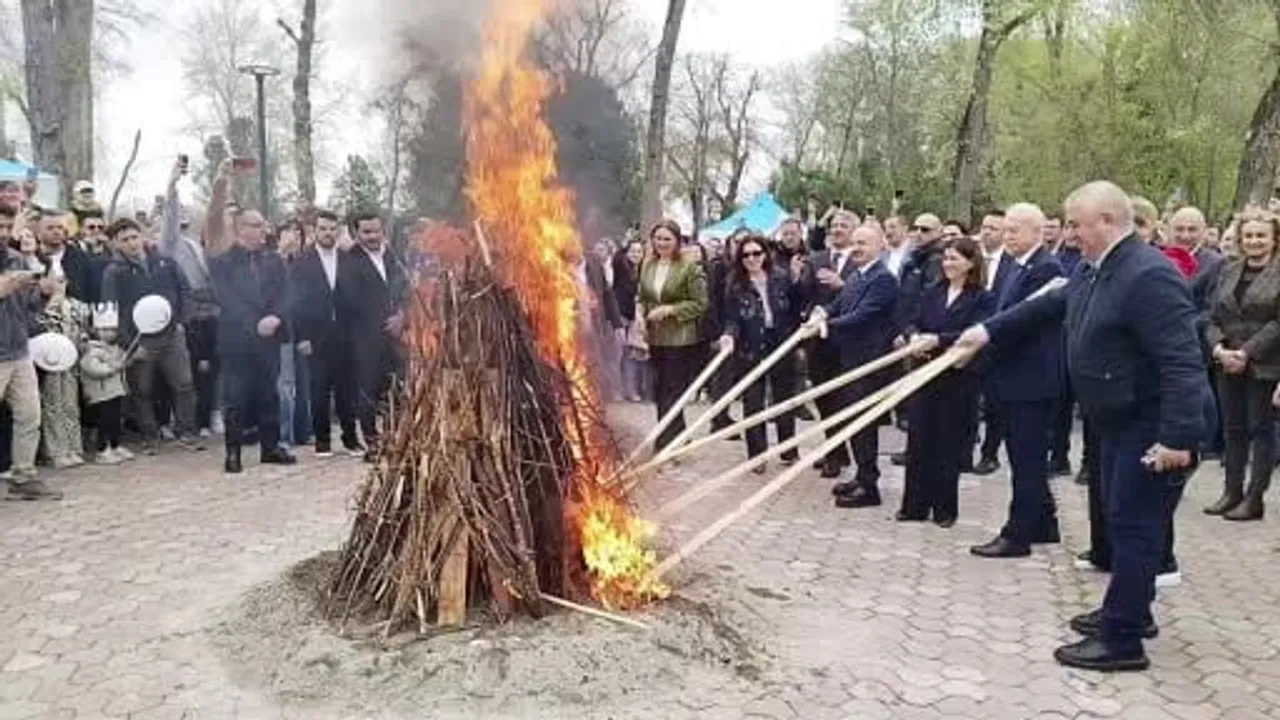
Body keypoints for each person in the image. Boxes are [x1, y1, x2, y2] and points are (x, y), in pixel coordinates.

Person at [954, 180, 1209, 672]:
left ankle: (1122, 641)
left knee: (1136, 527)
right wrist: (985, 331)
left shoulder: (1148, 275)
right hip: (1118, 419)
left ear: (1108, 222)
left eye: (1076, 224)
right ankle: (1127, 610)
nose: (1068, 235)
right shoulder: (1100, 269)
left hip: (1151, 424)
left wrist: (1177, 438)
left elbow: (1182, 362)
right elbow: (1047, 305)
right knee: (1120, 521)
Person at [969, 203, 1064, 559]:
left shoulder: (1047, 269)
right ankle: (1044, 521)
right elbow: (1001, 312)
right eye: (1004, 230)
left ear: (1036, 232)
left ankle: (1017, 534)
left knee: (1027, 460)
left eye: (1013, 231)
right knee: (1024, 457)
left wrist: (984, 340)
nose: (1006, 237)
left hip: (1033, 379)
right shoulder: (1013, 265)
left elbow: (1023, 321)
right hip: (1011, 375)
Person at [899, 237, 995, 526]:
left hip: (957, 378)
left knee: (946, 443)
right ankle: (914, 506)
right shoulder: (932, 291)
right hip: (924, 374)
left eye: (955, 258)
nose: (948, 264)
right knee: (919, 441)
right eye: (946, 258)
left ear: (970, 263)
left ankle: (944, 509)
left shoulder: (982, 297)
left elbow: (974, 332)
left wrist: (939, 340)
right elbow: (912, 320)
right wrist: (914, 335)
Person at [806, 225, 899, 508]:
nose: (857, 247)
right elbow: (840, 304)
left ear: (880, 246)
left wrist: (824, 327)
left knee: (864, 423)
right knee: (854, 422)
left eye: (864, 243)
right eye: (855, 242)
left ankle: (869, 486)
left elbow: (862, 316)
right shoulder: (858, 275)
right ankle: (861, 476)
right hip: (849, 360)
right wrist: (821, 313)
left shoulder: (883, 279)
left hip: (869, 363)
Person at [101, 218, 203, 454]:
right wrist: (128, 344)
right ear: (116, 244)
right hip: (139, 340)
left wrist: (181, 322)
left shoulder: (166, 262)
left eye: (134, 237)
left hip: (172, 335)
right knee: (142, 390)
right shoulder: (114, 273)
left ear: (142, 237)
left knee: (184, 383)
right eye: (124, 240)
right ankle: (150, 436)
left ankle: (187, 431)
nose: (132, 243)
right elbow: (111, 311)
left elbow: (186, 292)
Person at [1204, 206, 1280, 521]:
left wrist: (1247, 352)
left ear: (1274, 239)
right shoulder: (1227, 270)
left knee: (1261, 430)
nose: (1254, 241)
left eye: (1261, 235)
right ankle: (1231, 490)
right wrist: (1218, 348)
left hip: (1264, 364)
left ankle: (1254, 498)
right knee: (1233, 430)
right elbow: (1211, 315)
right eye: (1248, 235)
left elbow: (1277, 323)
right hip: (1227, 362)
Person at [209, 207, 296, 473]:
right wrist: (255, 324)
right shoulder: (224, 263)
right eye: (256, 225)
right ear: (241, 228)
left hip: (268, 339)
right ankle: (233, 452)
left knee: (269, 394)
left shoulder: (273, 261)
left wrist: (276, 318)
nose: (263, 231)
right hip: (237, 340)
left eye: (263, 225)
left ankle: (270, 447)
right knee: (235, 398)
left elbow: (286, 294)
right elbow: (227, 299)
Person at [718, 235, 806, 471]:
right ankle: (757, 455)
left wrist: (797, 281)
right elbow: (732, 319)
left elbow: (796, 308)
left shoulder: (781, 277)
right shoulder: (735, 284)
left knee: (784, 399)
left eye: (756, 253)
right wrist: (728, 336)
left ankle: (788, 450)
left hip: (780, 342)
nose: (752, 259)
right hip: (750, 346)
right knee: (753, 402)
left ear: (765, 254)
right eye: (746, 255)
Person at [334, 211, 406, 462]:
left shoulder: (394, 256)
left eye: (376, 230)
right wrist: (382, 322)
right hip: (366, 339)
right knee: (368, 392)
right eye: (366, 232)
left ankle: (397, 438)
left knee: (400, 388)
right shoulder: (348, 262)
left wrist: (402, 317)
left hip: (399, 337)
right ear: (356, 234)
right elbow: (351, 301)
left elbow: (407, 288)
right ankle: (373, 443)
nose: (373, 236)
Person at [291, 210, 360, 457]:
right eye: (323, 228)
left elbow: (356, 299)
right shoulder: (302, 262)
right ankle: (322, 441)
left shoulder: (348, 259)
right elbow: (295, 303)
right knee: (318, 390)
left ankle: (351, 439)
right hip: (315, 336)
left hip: (344, 334)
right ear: (315, 231)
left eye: (332, 229)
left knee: (346, 390)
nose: (328, 233)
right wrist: (301, 337)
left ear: (338, 231)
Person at [802, 210, 864, 479]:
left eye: (844, 225)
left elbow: (866, 296)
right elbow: (803, 294)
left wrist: (842, 285)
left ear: (855, 230)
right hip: (819, 340)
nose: (837, 229)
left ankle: (839, 452)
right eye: (834, 225)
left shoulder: (862, 260)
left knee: (844, 398)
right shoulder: (816, 259)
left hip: (849, 340)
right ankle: (834, 449)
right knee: (824, 398)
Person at [637, 220, 708, 452]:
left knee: (672, 390)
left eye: (667, 239)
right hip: (655, 338)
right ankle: (678, 435)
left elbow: (700, 303)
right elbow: (643, 296)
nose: (662, 243)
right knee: (659, 389)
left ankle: (665, 441)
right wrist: (640, 315)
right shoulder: (647, 265)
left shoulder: (689, 268)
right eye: (658, 238)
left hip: (680, 338)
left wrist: (671, 310)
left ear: (677, 241)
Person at [0, 204, 54, 499]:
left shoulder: (16, 258)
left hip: (19, 350)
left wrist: (43, 292)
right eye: (0, 227)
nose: (5, 233)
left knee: (29, 415)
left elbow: (30, 307)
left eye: (9, 227)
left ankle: (23, 476)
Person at [972, 210, 1015, 475]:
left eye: (994, 229)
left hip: (997, 342)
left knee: (995, 401)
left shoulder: (1012, 265)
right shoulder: (971, 258)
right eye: (985, 227)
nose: (987, 232)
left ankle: (990, 453)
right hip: (968, 338)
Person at [36, 275, 87, 468]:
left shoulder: (76, 305)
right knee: (52, 405)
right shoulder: (41, 306)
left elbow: (82, 329)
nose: (59, 285)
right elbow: (41, 327)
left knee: (70, 404)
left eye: (62, 280)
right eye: (55, 281)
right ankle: (56, 450)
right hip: (50, 361)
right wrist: (52, 304)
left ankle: (74, 447)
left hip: (71, 360)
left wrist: (83, 341)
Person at [80, 304, 135, 465]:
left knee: (115, 421)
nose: (108, 333)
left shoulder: (115, 348)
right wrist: (112, 368)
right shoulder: (92, 349)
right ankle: (102, 450)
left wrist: (128, 359)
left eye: (111, 329)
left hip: (115, 391)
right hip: (101, 394)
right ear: (95, 330)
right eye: (103, 329)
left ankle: (115, 445)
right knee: (104, 422)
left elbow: (123, 363)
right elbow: (92, 368)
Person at [614, 239, 650, 403]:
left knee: (634, 356)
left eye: (639, 251)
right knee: (620, 355)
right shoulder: (621, 268)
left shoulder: (642, 271)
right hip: (622, 316)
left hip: (636, 318)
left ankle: (634, 390)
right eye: (633, 251)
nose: (636, 254)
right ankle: (620, 390)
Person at [36, 211, 93, 302]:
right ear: (38, 233)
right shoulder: (31, 257)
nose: (56, 232)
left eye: (60, 227)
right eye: (50, 228)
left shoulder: (80, 258)